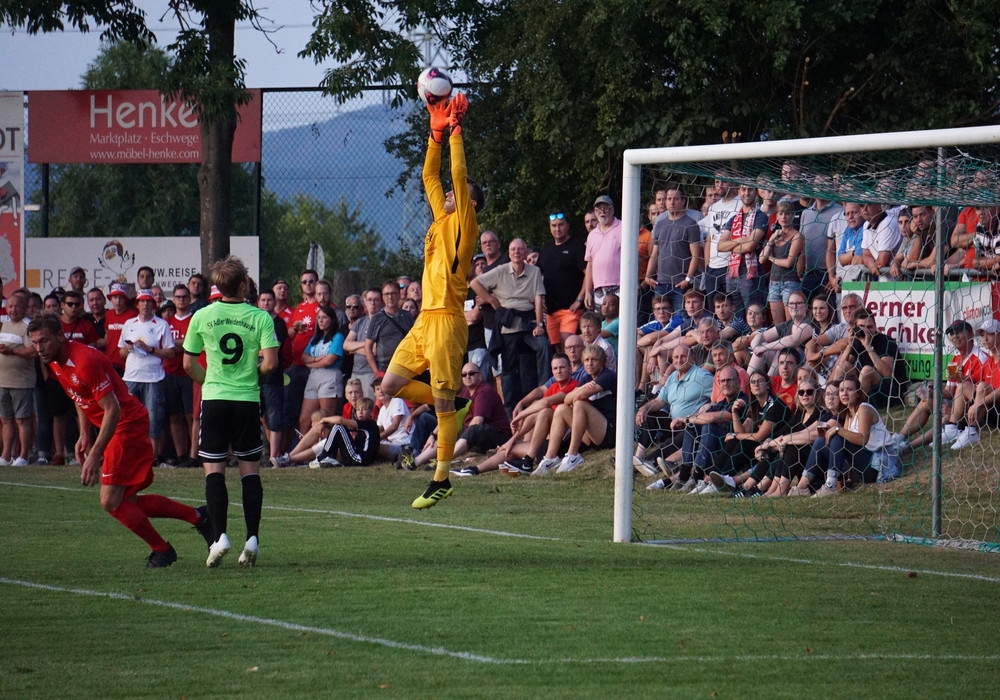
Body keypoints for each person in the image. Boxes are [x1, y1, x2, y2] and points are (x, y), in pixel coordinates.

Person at [28, 314, 212, 568]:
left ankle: (163, 550)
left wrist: (94, 455)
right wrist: (84, 434)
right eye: (35, 343)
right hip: (115, 426)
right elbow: (79, 396)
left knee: (110, 500)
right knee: (127, 502)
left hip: (126, 425)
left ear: (60, 336)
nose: (39, 348)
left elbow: (112, 410)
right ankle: (199, 517)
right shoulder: (54, 361)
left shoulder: (85, 361)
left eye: (44, 341)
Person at [378, 91, 486, 509]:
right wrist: (435, 135)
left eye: (456, 195)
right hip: (424, 320)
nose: (446, 195)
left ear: (469, 205)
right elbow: (430, 177)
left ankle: (441, 477)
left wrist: (457, 132)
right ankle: (455, 406)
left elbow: (457, 177)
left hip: (446, 321)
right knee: (390, 386)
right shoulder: (442, 218)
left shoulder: (464, 223)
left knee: (439, 406)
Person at [183, 255, 279, 568]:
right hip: (247, 401)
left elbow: (187, 363)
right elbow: (271, 363)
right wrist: (254, 373)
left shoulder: (202, 316)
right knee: (250, 471)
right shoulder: (261, 317)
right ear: (243, 285)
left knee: (214, 470)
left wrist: (208, 381)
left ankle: (219, 537)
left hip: (215, 400)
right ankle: (252, 538)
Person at [472, 238, 550, 415]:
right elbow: (475, 283)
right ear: (509, 253)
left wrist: (539, 324)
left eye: (520, 249)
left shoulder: (535, 271)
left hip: (529, 322)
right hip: (508, 324)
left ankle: (544, 391)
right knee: (507, 368)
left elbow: (538, 298)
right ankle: (508, 410)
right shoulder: (500, 271)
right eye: (513, 249)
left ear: (525, 253)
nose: (517, 252)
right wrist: (491, 299)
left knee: (543, 346)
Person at [533, 344, 617, 475]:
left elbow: (579, 396)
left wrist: (578, 391)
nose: (590, 363)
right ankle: (550, 458)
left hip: (609, 433)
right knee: (561, 408)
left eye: (594, 360)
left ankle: (573, 455)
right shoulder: (587, 378)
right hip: (590, 435)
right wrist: (579, 389)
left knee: (579, 404)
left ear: (602, 362)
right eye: (587, 360)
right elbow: (566, 399)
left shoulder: (608, 375)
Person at [806, 374, 893, 496]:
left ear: (858, 393)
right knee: (821, 440)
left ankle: (831, 485)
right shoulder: (848, 414)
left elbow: (862, 440)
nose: (844, 393)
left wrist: (838, 429)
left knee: (837, 435)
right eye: (841, 390)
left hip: (876, 467)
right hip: (858, 465)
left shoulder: (864, 409)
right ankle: (803, 485)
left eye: (849, 389)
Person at [119, 289, 176, 462]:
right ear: (137, 304)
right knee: (127, 418)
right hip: (131, 377)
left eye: (148, 301)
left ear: (153, 304)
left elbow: (171, 353)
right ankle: (129, 455)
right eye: (142, 301)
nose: (145, 304)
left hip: (153, 378)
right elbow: (121, 352)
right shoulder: (129, 324)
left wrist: (149, 349)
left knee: (153, 419)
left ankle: (152, 457)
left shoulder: (161, 324)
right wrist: (129, 349)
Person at [645, 182, 702, 313]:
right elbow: (655, 253)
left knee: (680, 321)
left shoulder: (691, 224)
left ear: (683, 201)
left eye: (676, 199)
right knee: (660, 321)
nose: (671, 202)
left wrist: (687, 279)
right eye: (669, 199)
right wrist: (648, 276)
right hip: (661, 283)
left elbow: (696, 255)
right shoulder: (660, 223)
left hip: (680, 284)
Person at [536, 209, 587, 351]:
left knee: (569, 344)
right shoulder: (546, 248)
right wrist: (540, 301)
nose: (557, 229)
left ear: (567, 226)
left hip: (570, 309)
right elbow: (536, 276)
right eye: (554, 225)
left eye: (561, 225)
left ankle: (577, 373)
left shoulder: (577, 246)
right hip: (551, 310)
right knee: (557, 348)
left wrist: (579, 299)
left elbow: (588, 273)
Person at [718, 185, 769, 314]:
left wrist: (731, 245)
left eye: (750, 189)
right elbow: (720, 246)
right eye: (743, 189)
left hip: (752, 274)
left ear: (756, 192)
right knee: (735, 314)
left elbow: (750, 246)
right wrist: (739, 240)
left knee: (754, 314)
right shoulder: (734, 219)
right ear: (738, 191)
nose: (746, 193)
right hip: (733, 274)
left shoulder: (761, 217)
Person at [0, 291, 36, 466]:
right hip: (2, 381)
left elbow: (33, 351)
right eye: (10, 306)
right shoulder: (4, 325)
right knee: (6, 420)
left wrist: (12, 351)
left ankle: (23, 456)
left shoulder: (28, 326)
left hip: (21, 382)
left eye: (17, 306)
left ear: (24, 308)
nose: (13, 309)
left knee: (22, 420)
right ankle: (6, 455)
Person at [297, 305, 345, 436]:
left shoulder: (338, 337)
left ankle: (327, 450)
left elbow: (330, 360)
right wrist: (316, 359)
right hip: (313, 378)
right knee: (304, 419)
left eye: (324, 317)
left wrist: (311, 364)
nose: (321, 321)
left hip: (329, 376)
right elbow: (303, 357)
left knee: (326, 418)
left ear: (332, 320)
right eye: (319, 318)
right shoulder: (315, 338)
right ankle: (303, 452)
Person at [758, 200, 804, 325]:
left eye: (787, 213)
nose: (784, 217)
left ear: (793, 215)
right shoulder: (775, 234)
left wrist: (772, 259)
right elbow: (761, 259)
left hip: (790, 283)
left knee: (791, 325)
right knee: (778, 327)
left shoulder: (797, 236)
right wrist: (771, 240)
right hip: (773, 283)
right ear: (777, 216)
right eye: (781, 213)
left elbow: (789, 262)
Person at [309, 397, 381, 468]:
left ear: (371, 412)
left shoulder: (369, 424)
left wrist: (323, 420)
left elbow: (340, 420)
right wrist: (325, 425)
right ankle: (330, 458)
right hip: (360, 459)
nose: (360, 412)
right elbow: (343, 428)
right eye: (358, 409)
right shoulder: (365, 425)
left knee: (338, 426)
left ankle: (322, 457)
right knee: (338, 428)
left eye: (364, 409)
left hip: (360, 459)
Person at [583, 195, 623, 309]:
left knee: (620, 324)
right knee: (600, 324)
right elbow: (589, 265)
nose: (602, 211)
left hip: (620, 287)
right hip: (599, 290)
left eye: (606, 208)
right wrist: (587, 292)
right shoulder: (591, 235)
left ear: (612, 210)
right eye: (598, 209)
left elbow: (634, 258)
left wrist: (633, 285)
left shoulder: (623, 227)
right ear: (595, 212)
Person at [104, 282, 137, 376]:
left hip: (126, 362)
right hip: (110, 361)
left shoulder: (132, 315)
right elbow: (107, 333)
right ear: (111, 299)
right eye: (115, 297)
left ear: (125, 299)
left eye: (120, 297)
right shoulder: (108, 314)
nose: (118, 301)